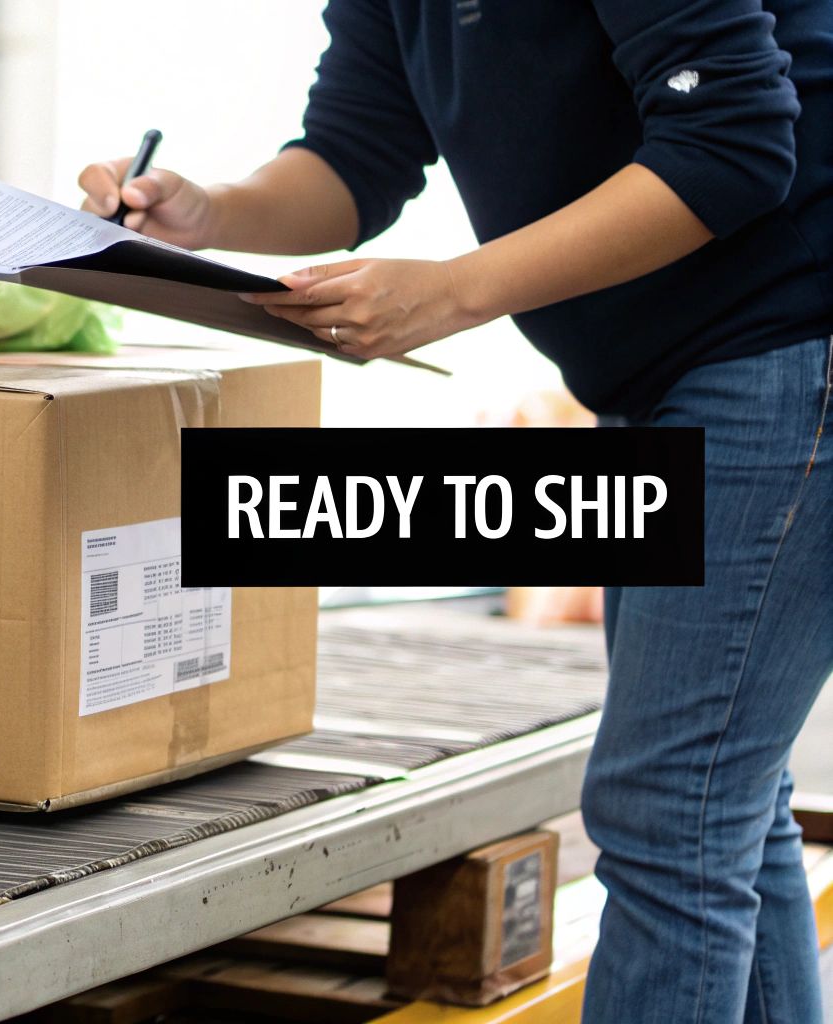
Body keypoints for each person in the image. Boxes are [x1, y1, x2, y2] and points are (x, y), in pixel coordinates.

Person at [78, 3, 833, 1021]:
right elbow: (355, 153)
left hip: (784, 344)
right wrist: (206, 212)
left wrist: (454, 292)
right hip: (665, 368)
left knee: (671, 809)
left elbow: (732, 142)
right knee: (717, 797)